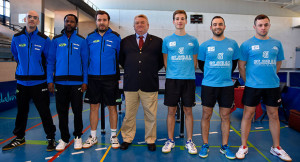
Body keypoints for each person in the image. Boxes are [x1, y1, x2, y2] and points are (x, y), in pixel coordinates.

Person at [236, 14, 292, 162]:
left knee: (273, 115)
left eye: (266, 25)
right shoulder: (247, 44)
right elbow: (241, 65)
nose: (263, 27)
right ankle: (243, 146)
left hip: (272, 86)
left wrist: (270, 76)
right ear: (255, 27)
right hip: (252, 86)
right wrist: (249, 81)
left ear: (269, 25)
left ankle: (276, 147)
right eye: (260, 25)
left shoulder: (277, 44)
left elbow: (278, 63)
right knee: (248, 115)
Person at [2, 10, 56, 151]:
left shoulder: (44, 39)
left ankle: (51, 138)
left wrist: (49, 80)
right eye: (30, 17)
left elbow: (50, 62)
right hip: (21, 82)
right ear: (25, 19)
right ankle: (19, 138)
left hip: (39, 83)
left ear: (38, 21)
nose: (32, 20)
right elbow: (16, 56)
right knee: (21, 111)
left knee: (44, 111)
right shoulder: (16, 37)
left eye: (35, 18)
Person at [119, 14, 164, 151]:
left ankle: (150, 139)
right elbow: (122, 60)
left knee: (151, 115)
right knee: (129, 115)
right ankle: (127, 138)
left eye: (142, 23)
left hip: (149, 83)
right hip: (130, 83)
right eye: (137, 23)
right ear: (133, 26)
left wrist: (149, 71)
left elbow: (161, 62)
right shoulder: (125, 41)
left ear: (148, 25)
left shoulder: (157, 41)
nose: (140, 25)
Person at [197, 16, 239, 159]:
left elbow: (234, 63)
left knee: (225, 116)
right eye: (215, 24)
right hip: (209, 85)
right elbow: (201, 65)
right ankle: (205, 144)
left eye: (220, 24)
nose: (217, 26)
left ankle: (224, 146)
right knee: (206, 115)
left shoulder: (233, 44)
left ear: (224, 26)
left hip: (226, 86)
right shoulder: (204, 46)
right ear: (211, 27)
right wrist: (212, 75)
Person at [47, 14, 88, 151]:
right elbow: (50, 61)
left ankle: (78, 137)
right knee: (62, 112)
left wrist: (85, 81)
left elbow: (85, 64)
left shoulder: (81, 41)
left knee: (78, 111)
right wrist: (50, 81)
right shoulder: (56, 40)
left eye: (72, 21)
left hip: (77, 83)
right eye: (67, 21)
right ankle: (64, 138)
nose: (69, 23)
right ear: (64, 23)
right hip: (60, 83)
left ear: (76, 25)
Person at [162, 10, 199, 154]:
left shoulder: (193, 40)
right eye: (177, 19)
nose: (179, 21)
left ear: (186, 21)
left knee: (188, 110)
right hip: (172, 80)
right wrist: (173, 73)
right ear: (173, 21)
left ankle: (189, 141)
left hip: (188, 80)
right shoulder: (167, 40)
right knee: (171, 111)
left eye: (182, 18)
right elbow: (166, 61)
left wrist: (186, 72)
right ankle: (170, 140)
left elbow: (194, 61)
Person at [83, 10, 121, 149]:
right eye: (99, 20)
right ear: (96, 22)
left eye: (104, 20)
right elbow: (86, 59)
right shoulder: (89, 38)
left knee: (112, 107)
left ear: (108, 22)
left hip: (110, 78)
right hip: (93, 78)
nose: (102, 22)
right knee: (94, 107)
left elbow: (118, 58)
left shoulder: (116, 38)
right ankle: (93, 136)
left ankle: (113, 136)